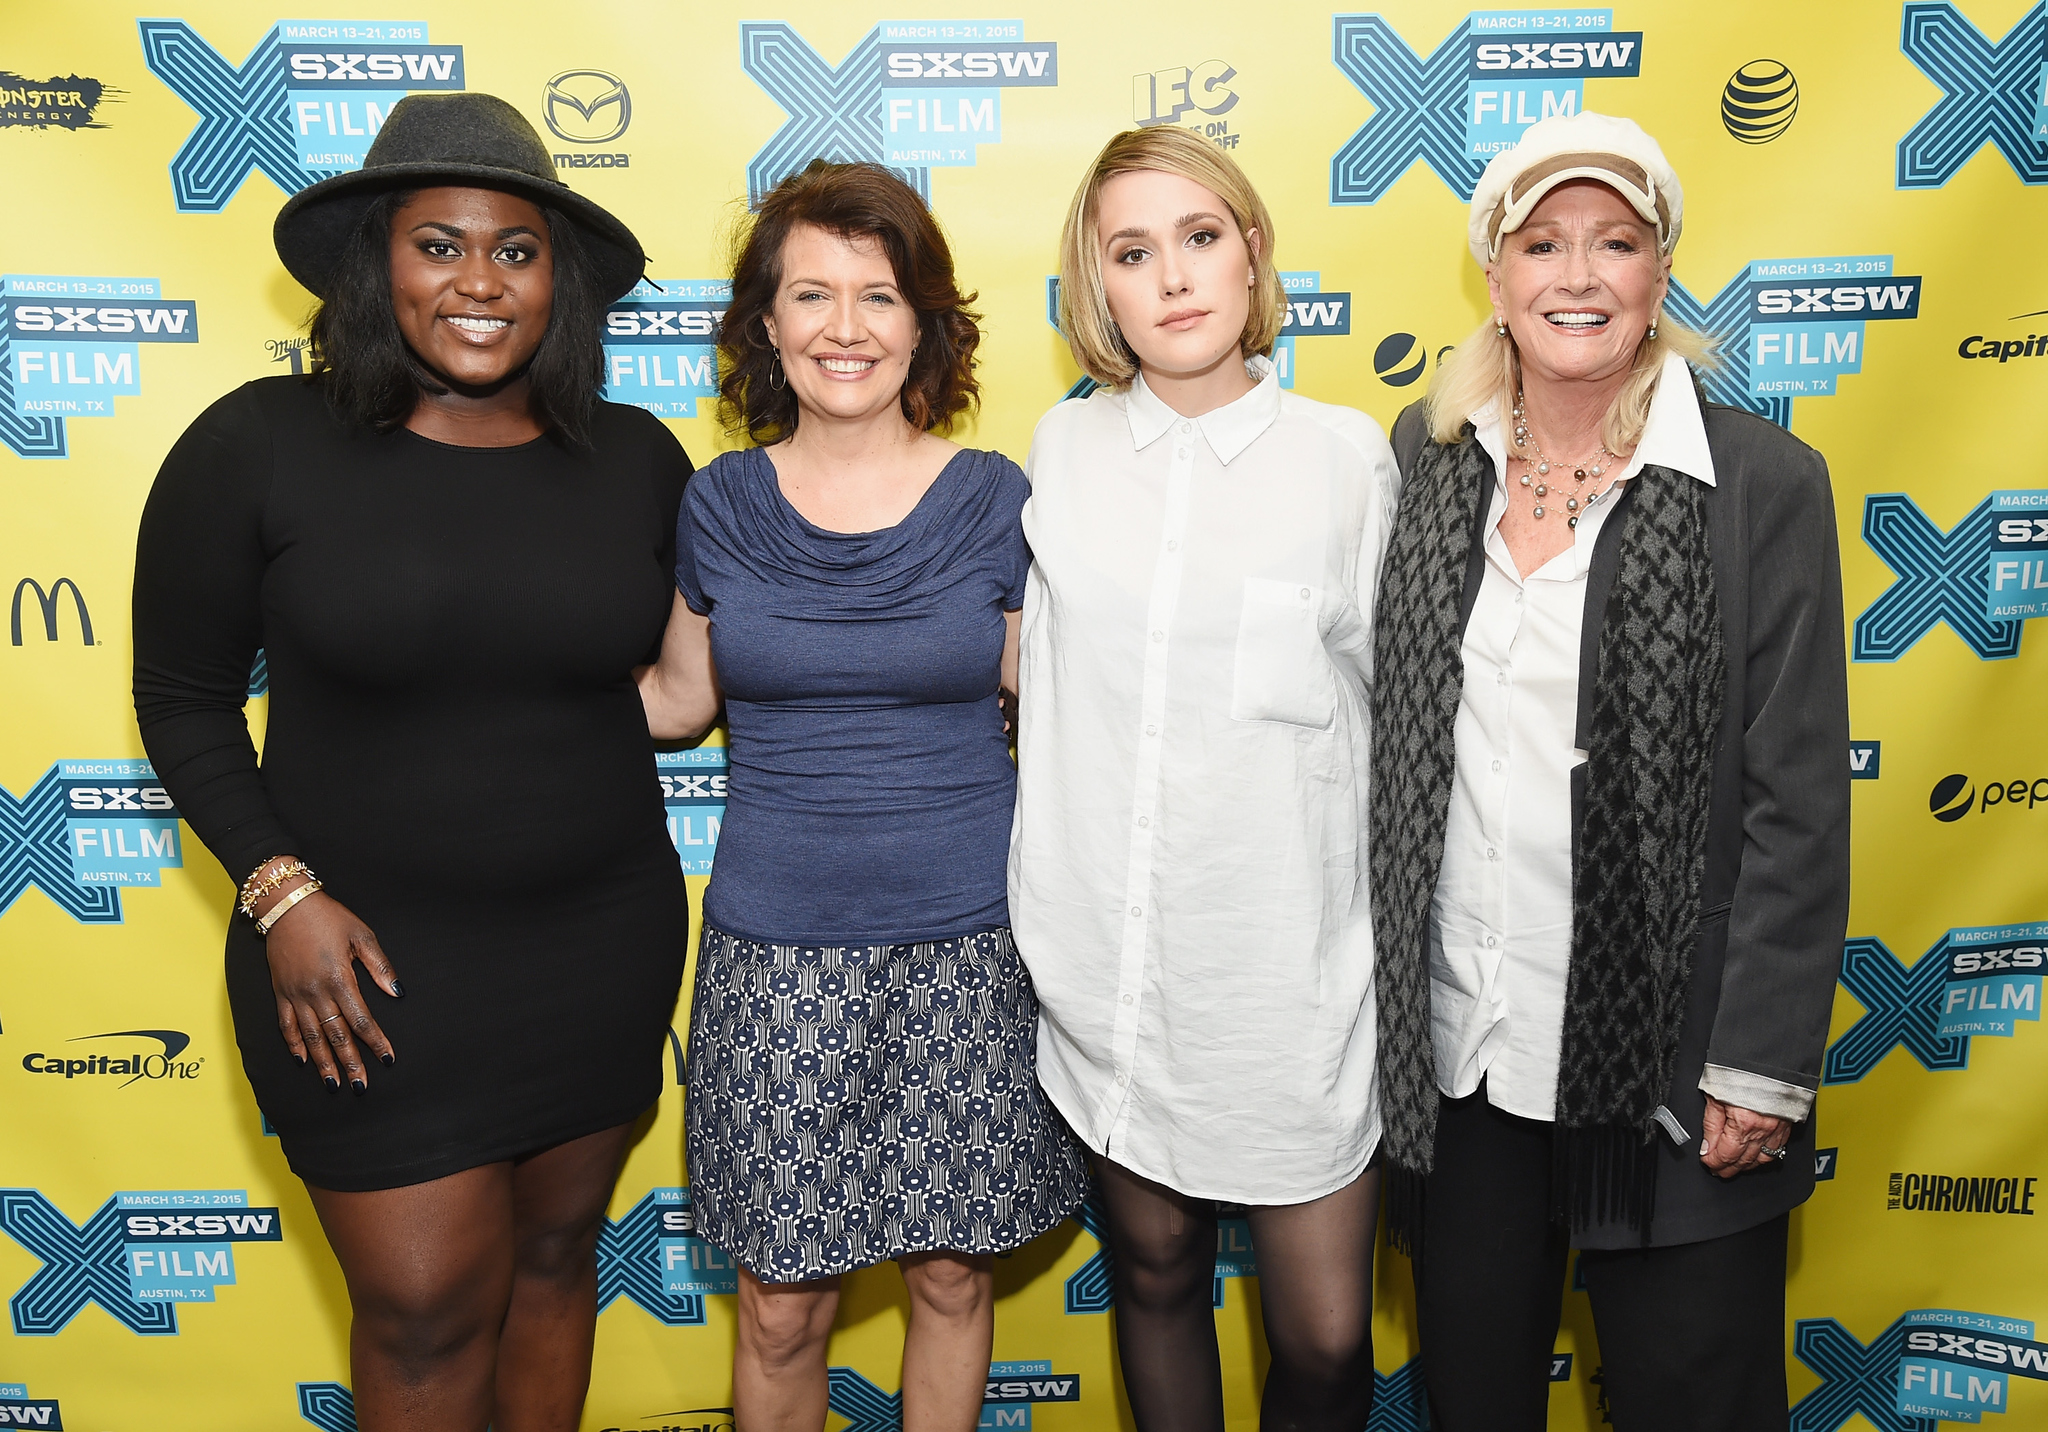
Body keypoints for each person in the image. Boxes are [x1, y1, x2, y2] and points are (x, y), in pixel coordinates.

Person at [131, 93, 691, 1431]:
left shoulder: (637, 460)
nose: (481, 282)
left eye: (516, 249)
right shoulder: (259, 443)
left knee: (557, 1269)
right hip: (357, 960)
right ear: (376, 264)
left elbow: (692, 679)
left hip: (596, 945)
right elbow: (185, 698)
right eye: (439, 246)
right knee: (425, 1316)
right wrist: (280, 894)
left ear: (559, 279)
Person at [1368, 111, 1850, 1431]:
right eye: (1543, 244)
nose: (1577, 275)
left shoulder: (1758, 482)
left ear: (1660, 274)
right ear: (1496, 276)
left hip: (1674, 1076)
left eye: (1615, 243)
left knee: (1696, 1399)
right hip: (1469, 1060)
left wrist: (1759, 1063)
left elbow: (1798, 802)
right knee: (1474, 1405)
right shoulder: (1424, 463)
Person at [636, 159, 1087, 1432]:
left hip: (971, 947)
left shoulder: (997, 498)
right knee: (782, 1301)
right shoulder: (717, 504)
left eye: (878, 296)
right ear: (765, 325)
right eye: (812, 295)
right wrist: (481, 694)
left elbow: (1057, 699)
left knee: (949, 1272)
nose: (845, 327)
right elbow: (674, 698)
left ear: (922, 323)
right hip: (774, 954)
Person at [1009, 126, 1400, 1432]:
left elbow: (1400, 723)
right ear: (1098, 290)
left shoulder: (1351, 460)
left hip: (1295, 981)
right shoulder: (1057, 462)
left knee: (1329, 1341)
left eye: (1199, 236)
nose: (1172, 275)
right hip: (1115, 978)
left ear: (1251, 255)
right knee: (1158, 1276)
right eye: (1132, 251)